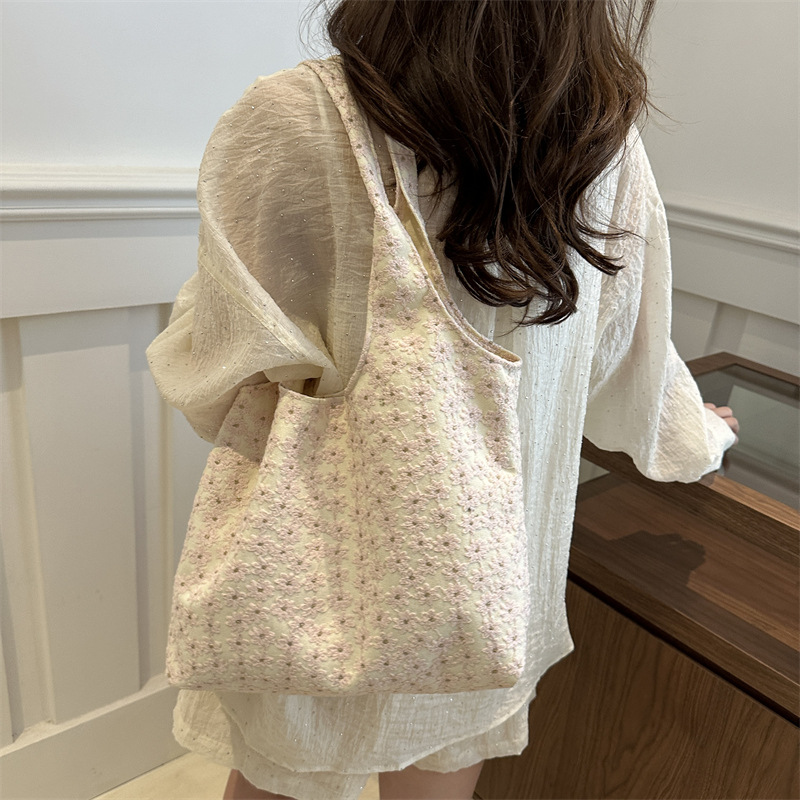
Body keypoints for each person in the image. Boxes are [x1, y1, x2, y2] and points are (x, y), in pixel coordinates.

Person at [146, 1, 739, 798]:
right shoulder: (602, 147)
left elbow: (215, 374)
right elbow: (625, 365)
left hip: (315, 572)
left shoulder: (297, 117)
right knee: (444, 762)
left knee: (286, 765)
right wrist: (699, 433)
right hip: (486, 571)